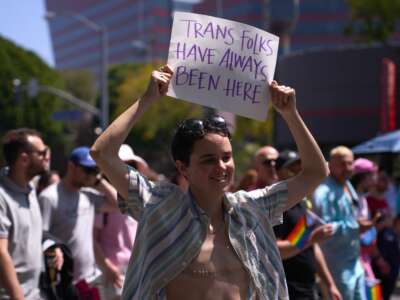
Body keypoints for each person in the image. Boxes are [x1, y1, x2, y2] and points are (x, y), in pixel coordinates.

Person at [90, 65, 328, 299]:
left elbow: (316, 172)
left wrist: (290, 114)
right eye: (208, 160)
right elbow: (102, 153)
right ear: (183, 167)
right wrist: (148, 99)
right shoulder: (159, 206)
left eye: (226, 157)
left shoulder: (252, 209)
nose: (221, 167)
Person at [39, 146, 118, 288]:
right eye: (87, 170)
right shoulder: (49, 197)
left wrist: (99, 180)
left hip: (90, 280)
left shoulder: (88, 195)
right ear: (71, 166)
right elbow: (41, 235)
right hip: (62, 282)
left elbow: (118, 204)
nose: (90, 175)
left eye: (94, 171)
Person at [0, 128, 62, 299]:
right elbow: (1, 253)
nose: (47, 157)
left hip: (35, 293)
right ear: (24, 158)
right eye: (42, 153)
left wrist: (51, 245)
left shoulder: (30, 189)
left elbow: (30, 232)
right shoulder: (1, 196)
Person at [273, 150, 341, 300]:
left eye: (300, 165)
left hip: (308, 288)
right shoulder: (277, 206)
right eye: (291, 166)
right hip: (287, 289)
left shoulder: (301, 203)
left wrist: (330, 284)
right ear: (278, 173)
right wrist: (310, 238)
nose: (298, 170)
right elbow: (275, 249)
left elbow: (312, 246)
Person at [313, 146, 366, 300]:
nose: (348, 168)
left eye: (350, 163)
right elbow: (324, 229)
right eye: (342, 164)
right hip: (336, 267)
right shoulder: (323, 192)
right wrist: (356, 227)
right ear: (330, 166)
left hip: (355, 262)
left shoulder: (348, 185)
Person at [94, 144, 139, 300]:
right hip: (114, 269)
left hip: (135, 267)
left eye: (131, 165)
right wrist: (108, 267)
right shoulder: (102, 201)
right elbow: (94, 240)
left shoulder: (139, 198)